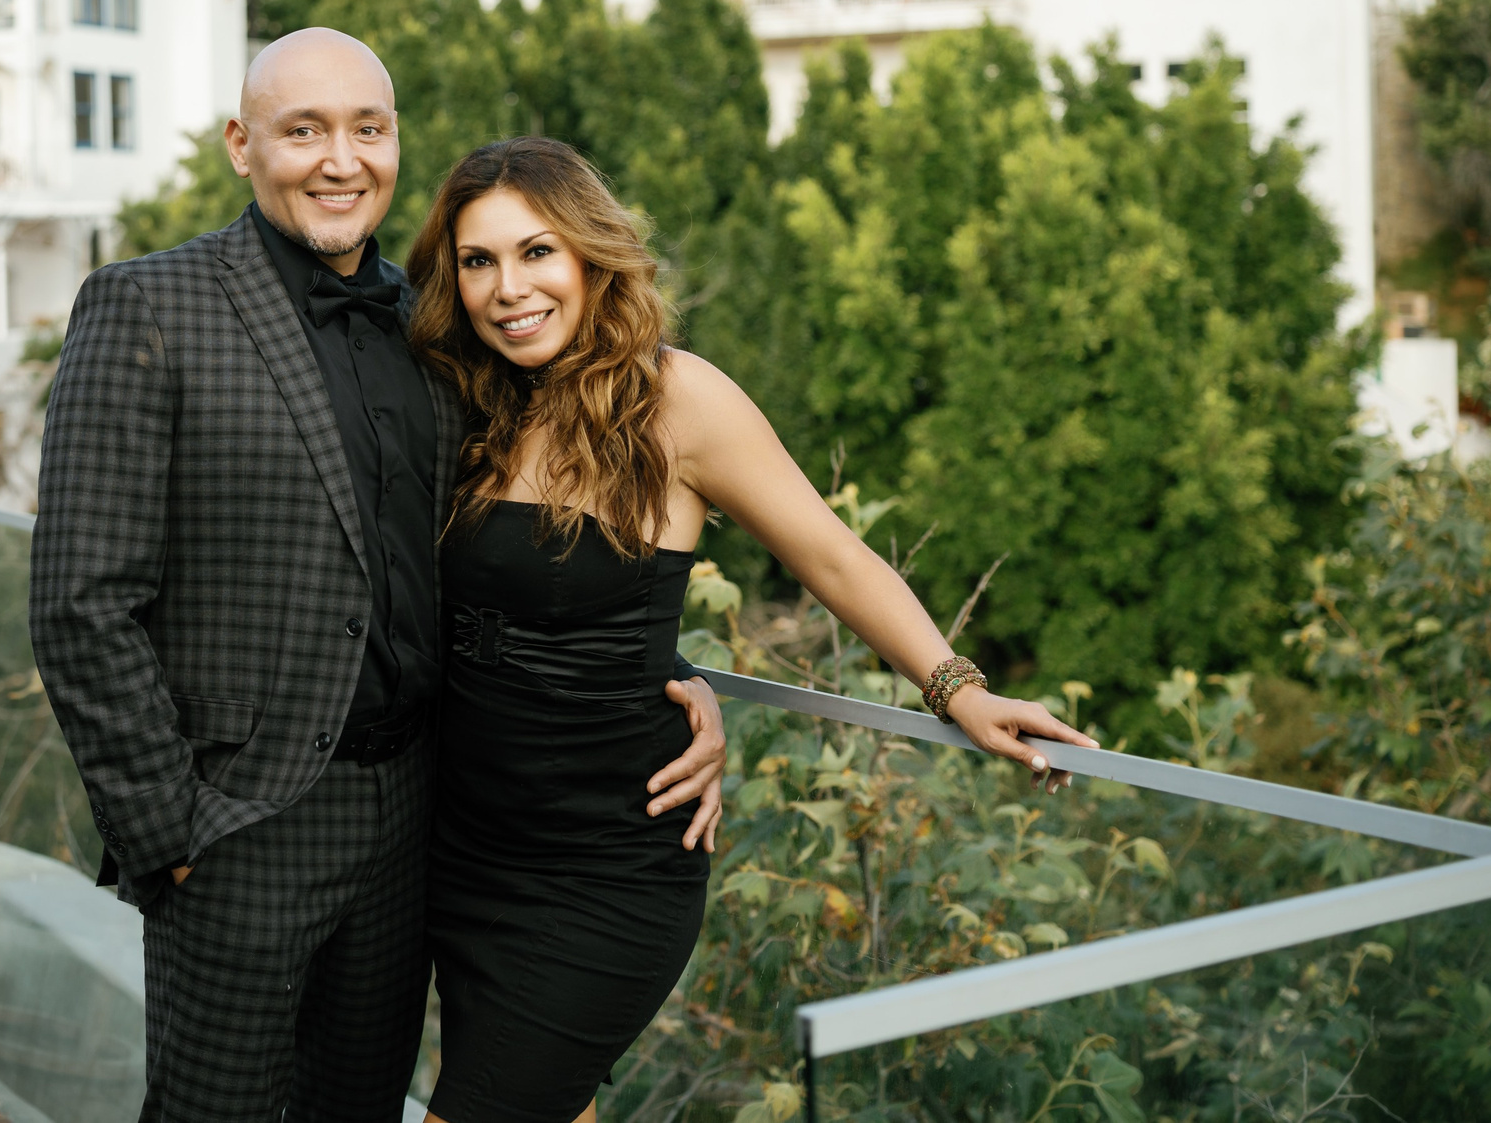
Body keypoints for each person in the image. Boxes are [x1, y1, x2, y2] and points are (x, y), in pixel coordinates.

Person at [28, 32, 728, 1123]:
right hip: (234, 829)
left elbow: (516, 562)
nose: (338, 159)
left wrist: (665, 684)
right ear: (240, 145)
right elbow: (80, 603)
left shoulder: (441, 326)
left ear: (396, 142)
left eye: (367, 128)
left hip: (418, 821)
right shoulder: (147, 309)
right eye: (302, 130)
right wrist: (166, 830)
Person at [406, 137, 1097, 1123]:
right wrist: (685, 673)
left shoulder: (674, 399)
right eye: (478, 261)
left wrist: (958, 690)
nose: (507, 287)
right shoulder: (460, 401)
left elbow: (832, 559)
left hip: (607, 866)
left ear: (592, 256)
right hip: (467, 853)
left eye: (537, 252)